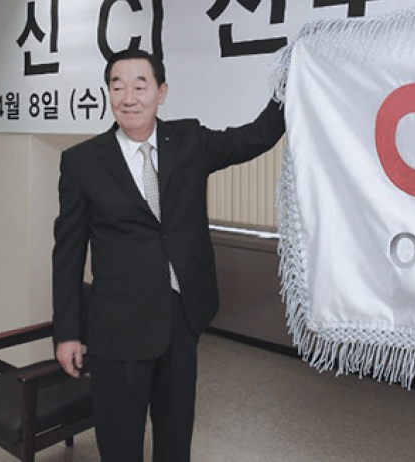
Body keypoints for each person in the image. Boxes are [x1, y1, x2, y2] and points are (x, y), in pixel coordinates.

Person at [52, 48, 285, 462]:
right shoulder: (82, 162)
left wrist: (290, 84)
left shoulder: (189, 141)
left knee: (176, 441)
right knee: (120, 445)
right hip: (118, 329)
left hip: (181, 319)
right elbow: (67, 254)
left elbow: (257, 136)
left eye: (140, 86)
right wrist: (67, 331)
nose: (128, 98)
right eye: (117, 87)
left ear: (161, 92)